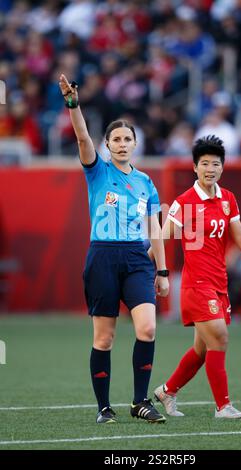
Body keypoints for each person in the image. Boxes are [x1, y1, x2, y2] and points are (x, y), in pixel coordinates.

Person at [58, 74, 169, 424]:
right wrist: (73, 104)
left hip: (137, 259)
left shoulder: (145, 182)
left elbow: (155, 229)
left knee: (148, 328)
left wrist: (162, 271)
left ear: (135, 144)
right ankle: (104, 408)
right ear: (107, 145)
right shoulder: (98, 172)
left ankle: (140, 401)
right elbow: (81, 135)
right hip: (102, 257)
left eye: (127, 139)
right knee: (104, 338)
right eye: (116, 139)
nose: (122, 144)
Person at [150, 135, 241, 419]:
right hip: (196, 284)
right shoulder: (184, 202)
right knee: (220, 337)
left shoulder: (228, 199)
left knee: (202, 350)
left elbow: (237, 233)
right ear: (195, 167)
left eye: (215, 163)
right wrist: (151, 268)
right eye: (204, 163)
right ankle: (223, 406)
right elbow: (162, 238)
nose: (210, 168)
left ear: (222, 168)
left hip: (219, 283)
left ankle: (167, 391)